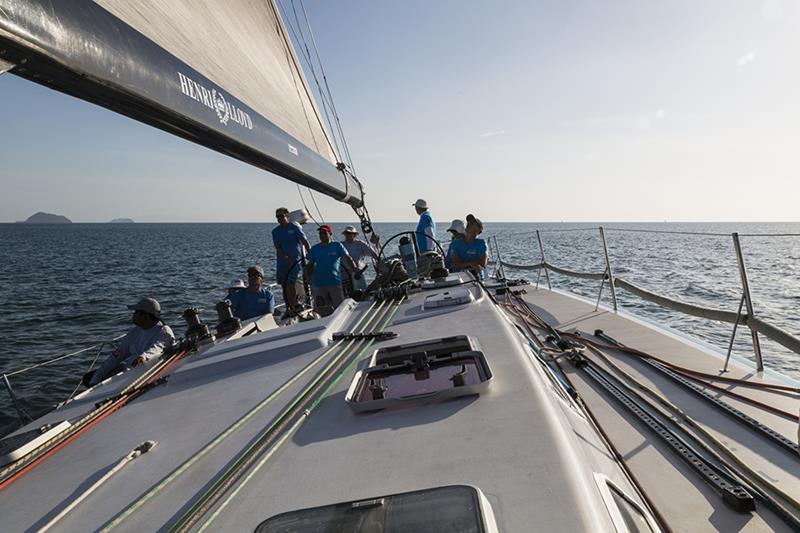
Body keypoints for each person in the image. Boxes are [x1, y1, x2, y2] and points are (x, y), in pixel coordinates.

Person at [83, 297, 174, 387]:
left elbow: (158, 348)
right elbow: (117, 355)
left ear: (146, 316)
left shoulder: (164, 331)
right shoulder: (135, 331)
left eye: (136, 312)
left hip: (144, 374)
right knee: (88, 378)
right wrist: (96, 377)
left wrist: (144, 357)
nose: (133, 314)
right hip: (128, 371)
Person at [306, 225, 358, 316]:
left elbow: (348, 257)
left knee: (340, 309)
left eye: (324, 233)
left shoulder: (337, 246)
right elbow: (310, 265)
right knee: (320, 310)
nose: (322, 235)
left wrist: (354, 269)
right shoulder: (315, 248)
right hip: (319, 284)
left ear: (330, 234)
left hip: (335, 283)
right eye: (320, 234)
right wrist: (308, 277)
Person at [272, 207, 309, 311]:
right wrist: (284, 257)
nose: (279, 218)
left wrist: (311, 255)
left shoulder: (294, 227)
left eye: (281, 216)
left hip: (294, 261)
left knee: (290, 284)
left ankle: (293, 307)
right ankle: (288, 308)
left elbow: (304, 241)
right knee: (284, 285)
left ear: (287, 216)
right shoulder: (275, 231)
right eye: (277, 217)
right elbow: (277, 247)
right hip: (282, 262)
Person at [340, 225, 379, 292]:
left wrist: (379, 264)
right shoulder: (340, 245)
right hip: (344, 274)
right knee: (346, 293)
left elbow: (374, 254)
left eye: (350, 233)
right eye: (346, 233)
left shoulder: (360, 244)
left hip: (357, 274)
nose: (348, 235)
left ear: (354, 235)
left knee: (360, 293)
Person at [450, 214, 488, 278]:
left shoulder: (481, 243)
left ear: (478, 230)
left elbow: (482, 263)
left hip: (476, 277)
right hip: (459, 277)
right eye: (468, 223)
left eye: (473, 223)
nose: (469, 224)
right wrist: (471, 263)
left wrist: (463, 264)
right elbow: (455, 263)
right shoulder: (456, 243)